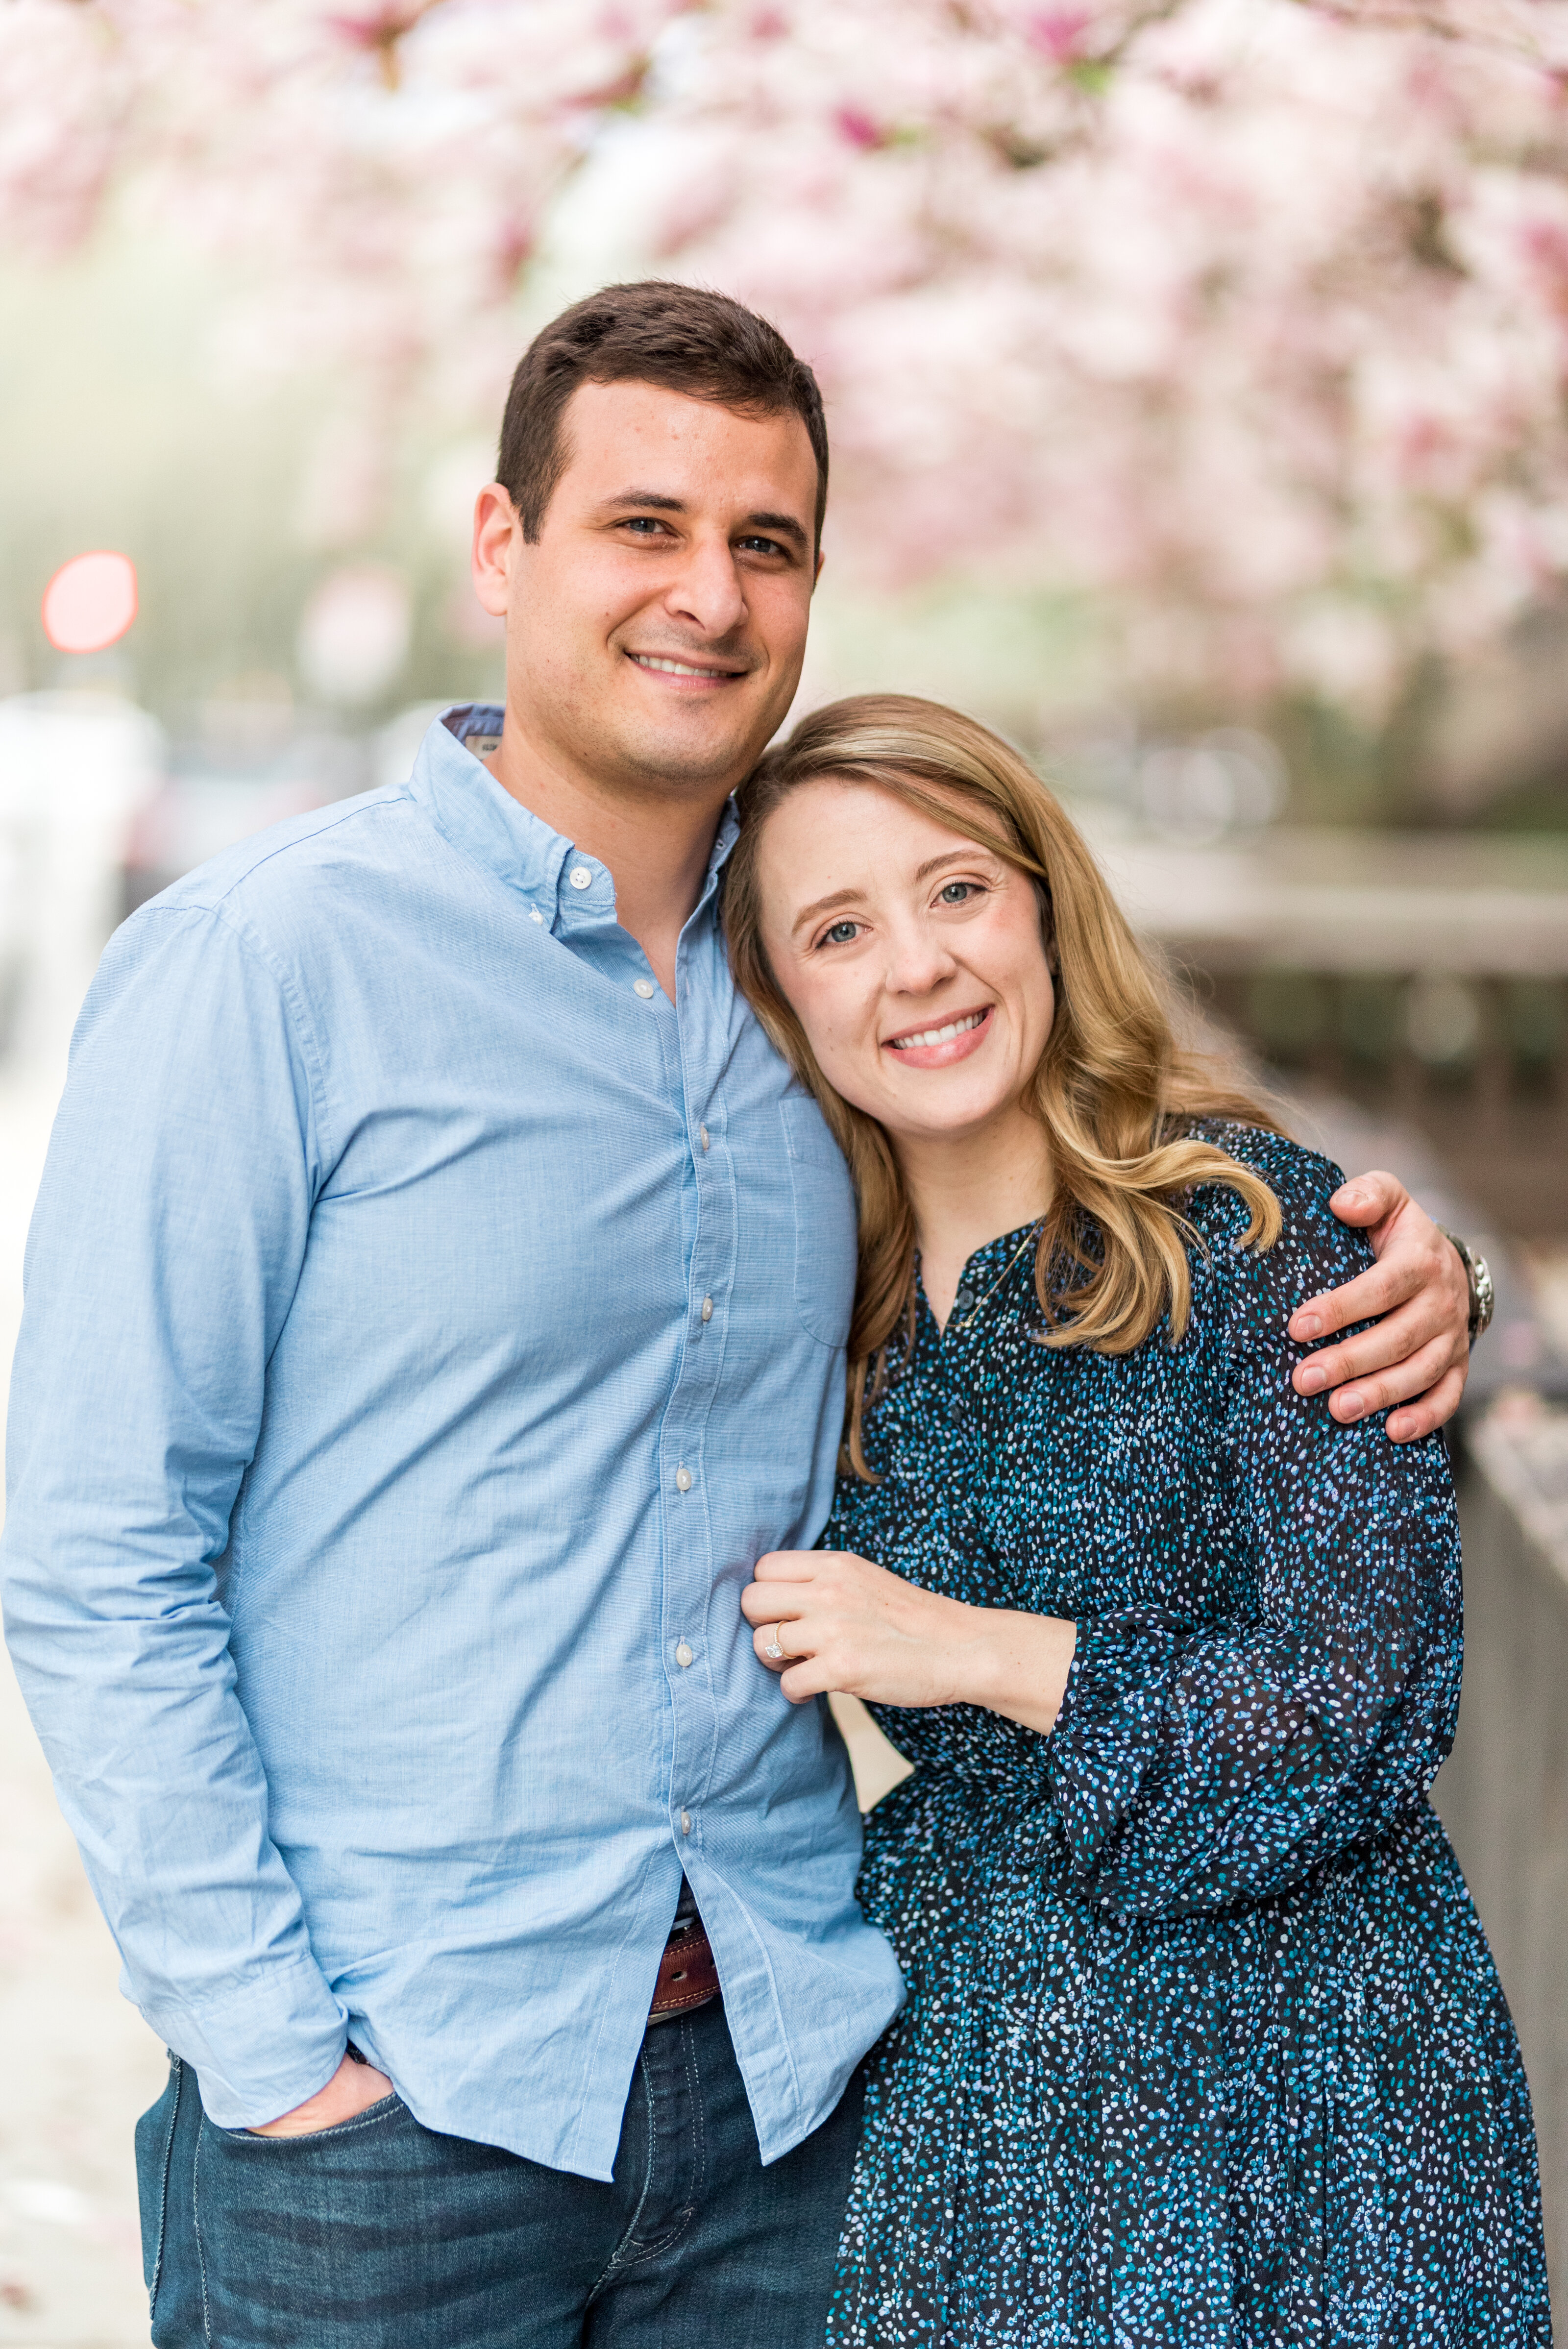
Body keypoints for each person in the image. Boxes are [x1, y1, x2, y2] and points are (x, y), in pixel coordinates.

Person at [1, 285, 1477, 2349]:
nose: (707, 593)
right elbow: (91, 1548)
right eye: (641, 525)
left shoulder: (826, 1005)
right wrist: (273, 2055)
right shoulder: (267, 966)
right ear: (502, 548)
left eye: (763, 544)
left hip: (795, 2091)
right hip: (393, 2120)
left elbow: (1106, 1207)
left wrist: (1420, 1265)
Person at [725, 692, 1549, 2349]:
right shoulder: (822, 1330)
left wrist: (974, 1652)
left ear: (1043, 900)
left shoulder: (1269, 1240)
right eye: (840, 927)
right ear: (782, 996)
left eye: (957, 889)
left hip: (1321, 2115)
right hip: (988, 2126)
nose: (920, 964)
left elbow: (1360, 1713)